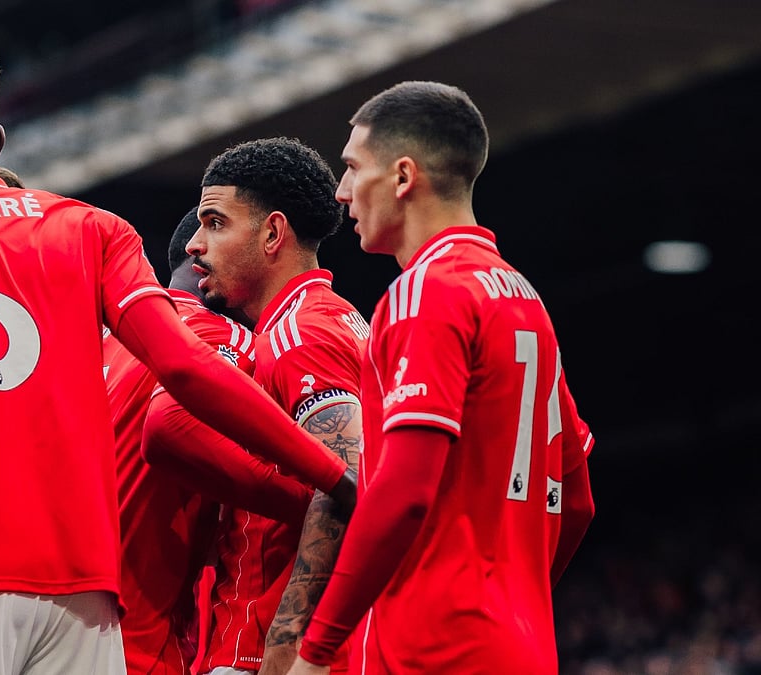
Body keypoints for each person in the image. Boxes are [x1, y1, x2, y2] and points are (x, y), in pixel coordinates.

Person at [0, 38, 355, 675]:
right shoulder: (90, 228)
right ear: (0, 141)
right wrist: (333, 476)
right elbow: (182, 368)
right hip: (82, 598)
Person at [289, 81, 596, 675]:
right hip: (521, 645)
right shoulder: (523, 298)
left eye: (353, 168)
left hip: (434, 648)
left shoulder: (425, 293)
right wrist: (513, 599)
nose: (342, 190)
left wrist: (318, 646)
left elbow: (402, 495)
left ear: (403, 177)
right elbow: (577, 499)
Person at [172, 137, 374, 675]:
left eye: (214, 223)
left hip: (259, 651)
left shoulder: (297, 336)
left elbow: (346, 489)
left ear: (271, 234)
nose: (194, 244)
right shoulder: (342, 319)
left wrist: (287, 653)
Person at [106, 207, 313, 674]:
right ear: (197, 260)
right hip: (135, 639)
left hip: (39, 618)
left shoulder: (93, 334)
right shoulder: (223, 338)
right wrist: (319, 498)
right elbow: (169, 428)